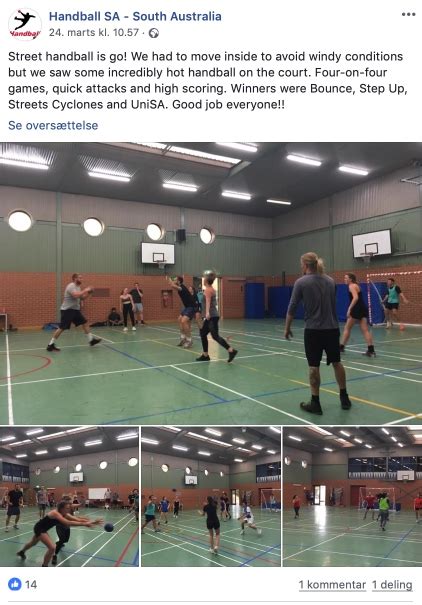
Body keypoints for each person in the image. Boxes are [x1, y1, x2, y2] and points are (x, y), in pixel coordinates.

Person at [284, 252, 352, 415]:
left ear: (305, 265)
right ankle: (344, 397)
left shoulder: (301, 282)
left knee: (314, 367)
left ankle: (315, 403)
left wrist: (287, 328)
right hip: (332, 329)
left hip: (313, 331)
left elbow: (292, 307)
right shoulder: (330, 281)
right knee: (337, 362)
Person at [17, 501, 102, 567]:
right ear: (61, 508)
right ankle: (44, 566)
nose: (68, 509)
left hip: (43, 529)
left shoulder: (64, 513)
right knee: (52, 547)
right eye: (67, 508)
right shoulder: (55, 513)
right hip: (39, 529)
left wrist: (93, 522)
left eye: (69, 508)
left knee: (33, 543)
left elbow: (77, 519)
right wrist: (85, 524)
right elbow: (68, 522)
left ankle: (21, 552)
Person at [46, 274, 101, 352]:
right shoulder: (71, 286)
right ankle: (50, 345)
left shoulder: (78, 287)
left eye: (82, 278)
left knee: (85, 323)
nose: (82, 279)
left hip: (75, 310)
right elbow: (75, 295)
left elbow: (82, 298)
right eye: (80, 278)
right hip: (67, 310)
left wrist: (89, 293)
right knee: (62, 328)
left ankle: (91, 340)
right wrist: (85, 290)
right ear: (75, 278)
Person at [196, 270, 238, 363]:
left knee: (215, 336)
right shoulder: (211, 289)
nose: (203, 280)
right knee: (203, 334)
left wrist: (207, 313)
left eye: (204, 278)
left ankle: (231, 350)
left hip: (211, 317)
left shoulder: (208, 290)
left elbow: (207, 301)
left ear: (206, 281)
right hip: (212, 316)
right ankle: (205, 355)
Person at [340, 273, 375, 357]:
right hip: (362, 307)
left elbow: (355, 298)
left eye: (346, 278)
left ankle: (341, 347)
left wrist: (349, 309)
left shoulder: (351, 286)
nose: (344, 279)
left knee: (347, 328)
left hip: (356, 309)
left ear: (351, 279)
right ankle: (371, 350)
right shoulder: (356, 285)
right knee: (365, 330)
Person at [53, 496, 95, 565]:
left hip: (67, 526)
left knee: (65, 540)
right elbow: (74, 520)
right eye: (69, 502)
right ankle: (54, 555)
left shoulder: (70, 507)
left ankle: (58, 543)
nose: (70, 503)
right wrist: (86, 522)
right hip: (60, 527)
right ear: (65, 502)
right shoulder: (60, 511)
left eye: (71, 502)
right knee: (62, 539)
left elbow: (77, 517)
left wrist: (91, 521)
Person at [166, 276, 196, 348]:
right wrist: (170, 281)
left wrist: (170, 280)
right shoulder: (179, 287)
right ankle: (183, 338)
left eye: (176, 279)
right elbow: (172, 285)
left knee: (183, 321)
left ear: (179, 281)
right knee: (179, 319)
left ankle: (189, 340)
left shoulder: (182, 287)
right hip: (186, 307)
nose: (174, 280)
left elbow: (173, 285)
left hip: (191, 307)